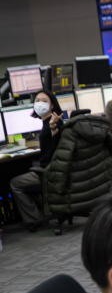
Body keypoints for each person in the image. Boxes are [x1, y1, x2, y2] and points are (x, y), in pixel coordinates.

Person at [9, 90, 63, 225]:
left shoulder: (53, 124)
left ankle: (35, 220)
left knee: (15, 183)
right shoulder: (48, 123)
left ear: (52, 106)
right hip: (55, 169)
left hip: (48, 172)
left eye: (44, 101)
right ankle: (43, 212)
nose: (39, 104)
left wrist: (53, 129)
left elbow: (57, 139)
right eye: (37, 101)